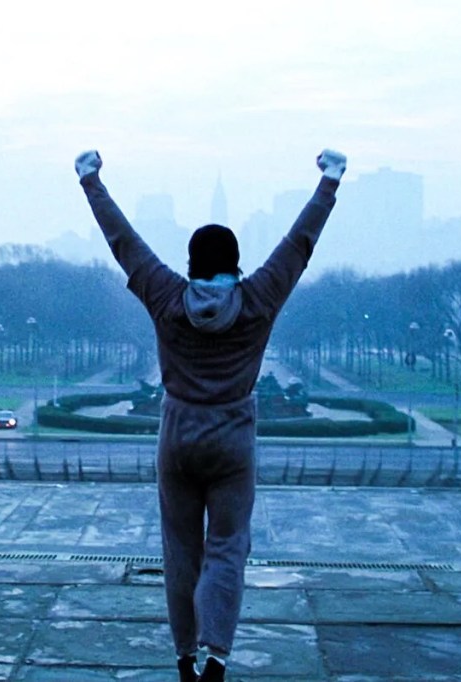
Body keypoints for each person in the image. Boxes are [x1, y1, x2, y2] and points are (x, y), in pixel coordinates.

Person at [75, 147, 346, 681]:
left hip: (177, 437)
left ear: (192, 263)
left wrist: (91, 183)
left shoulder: (167, 295)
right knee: (227, 550)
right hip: (233, 440)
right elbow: (299, 245)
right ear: (235, 263)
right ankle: (216, 658)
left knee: (180, 551)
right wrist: (328, 184)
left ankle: (184, 659)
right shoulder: (258, 298)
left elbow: (124, 243)